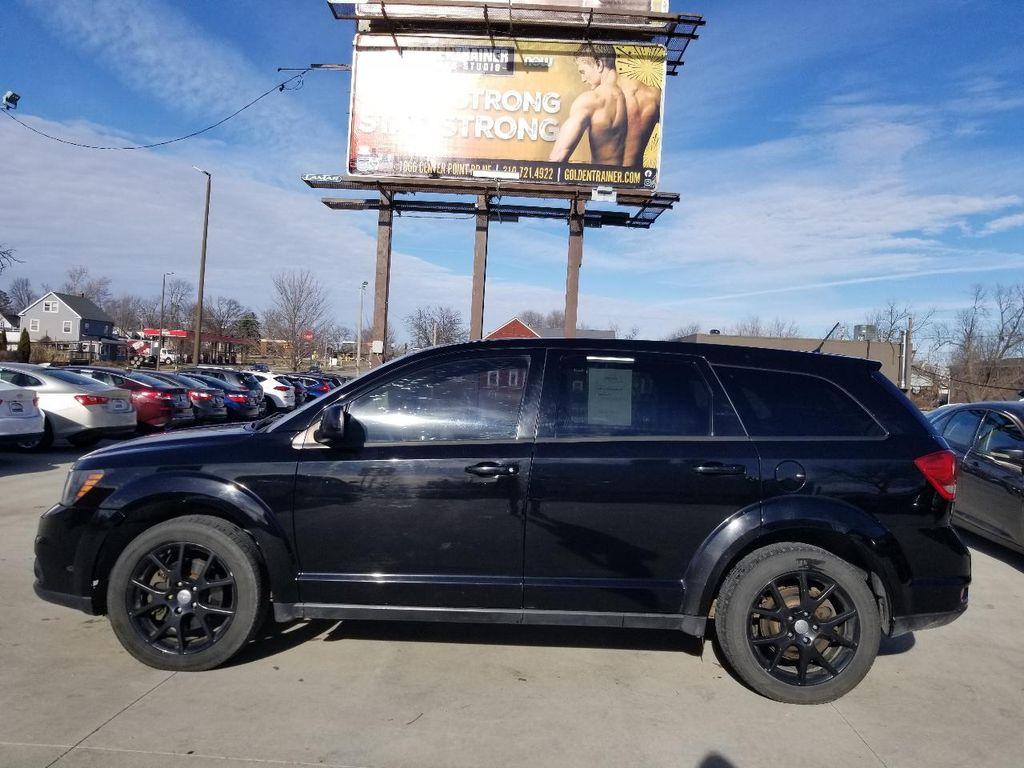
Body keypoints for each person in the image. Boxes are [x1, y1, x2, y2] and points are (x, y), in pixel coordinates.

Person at [548, 44, 628, 166]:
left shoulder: (590, 100)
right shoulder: (643, 95)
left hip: (599, 181)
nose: (583, 79)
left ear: (599, 64)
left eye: (583, 71)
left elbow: (558, 157)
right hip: (632, 181)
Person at [619, 77, 662, 167]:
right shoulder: (654, 94)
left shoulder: (599, 96)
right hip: (637, 174)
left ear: (599, 64)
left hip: (604, 175)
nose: (584, 79)